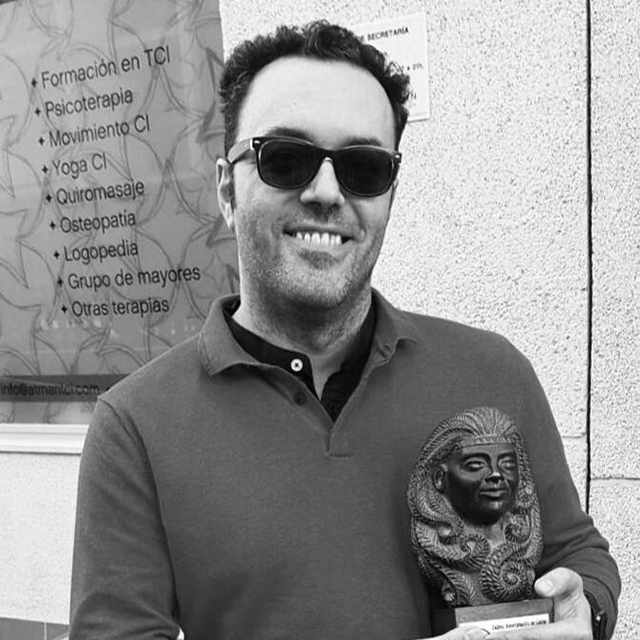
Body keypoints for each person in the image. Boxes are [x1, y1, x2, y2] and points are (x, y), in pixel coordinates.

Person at [69, 20, 620, 640]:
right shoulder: (136, 424)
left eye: (363, 167)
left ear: (389, 193)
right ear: (226, 189)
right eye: (286, 159)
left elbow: (578, 553)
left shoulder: (493, 371)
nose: (326, 192)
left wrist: (586, 608)